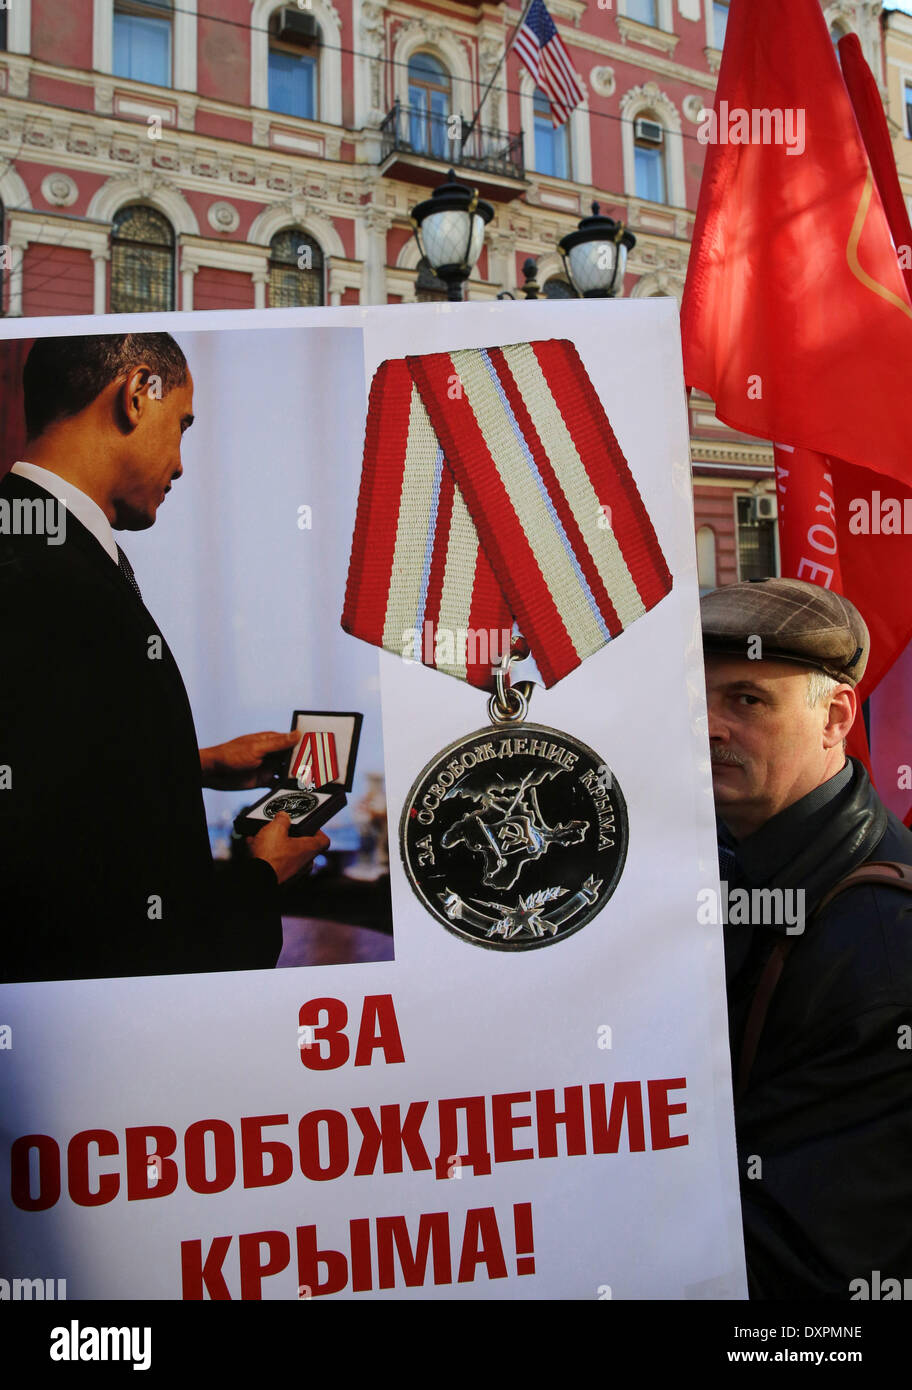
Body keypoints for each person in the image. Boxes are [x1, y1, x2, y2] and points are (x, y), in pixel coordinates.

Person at [0, 333, 328, 983]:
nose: (180, 465)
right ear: (136, 394)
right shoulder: (48, 577)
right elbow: (88, 905)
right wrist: (261, 880)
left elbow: (52, 773)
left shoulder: (39, 548)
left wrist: (194, 766)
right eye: (182, 426)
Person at [702, 577, 912, 1299]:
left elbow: (815, 1265)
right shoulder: (720, 856)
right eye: (692, 700)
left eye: (747, 700)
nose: (709, 727)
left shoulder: (882, 936)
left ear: (836, 717)